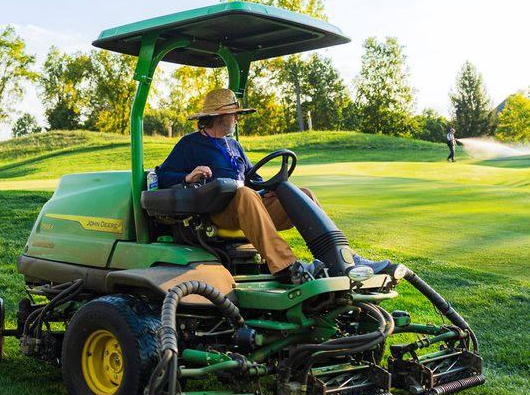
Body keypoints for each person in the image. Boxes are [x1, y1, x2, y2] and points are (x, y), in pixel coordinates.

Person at [157, 88, 387, 281]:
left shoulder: (234, 146)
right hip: (216, 213)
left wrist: (272, 190)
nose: (237, 118)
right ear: (219, 117)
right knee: (246, 194)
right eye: (234, 114)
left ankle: (343, 259)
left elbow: (252, 179)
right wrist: (188, 177)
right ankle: (288, 267)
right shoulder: (190, 144)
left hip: (249, 206)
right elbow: (164, 175)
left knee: (301, 193)